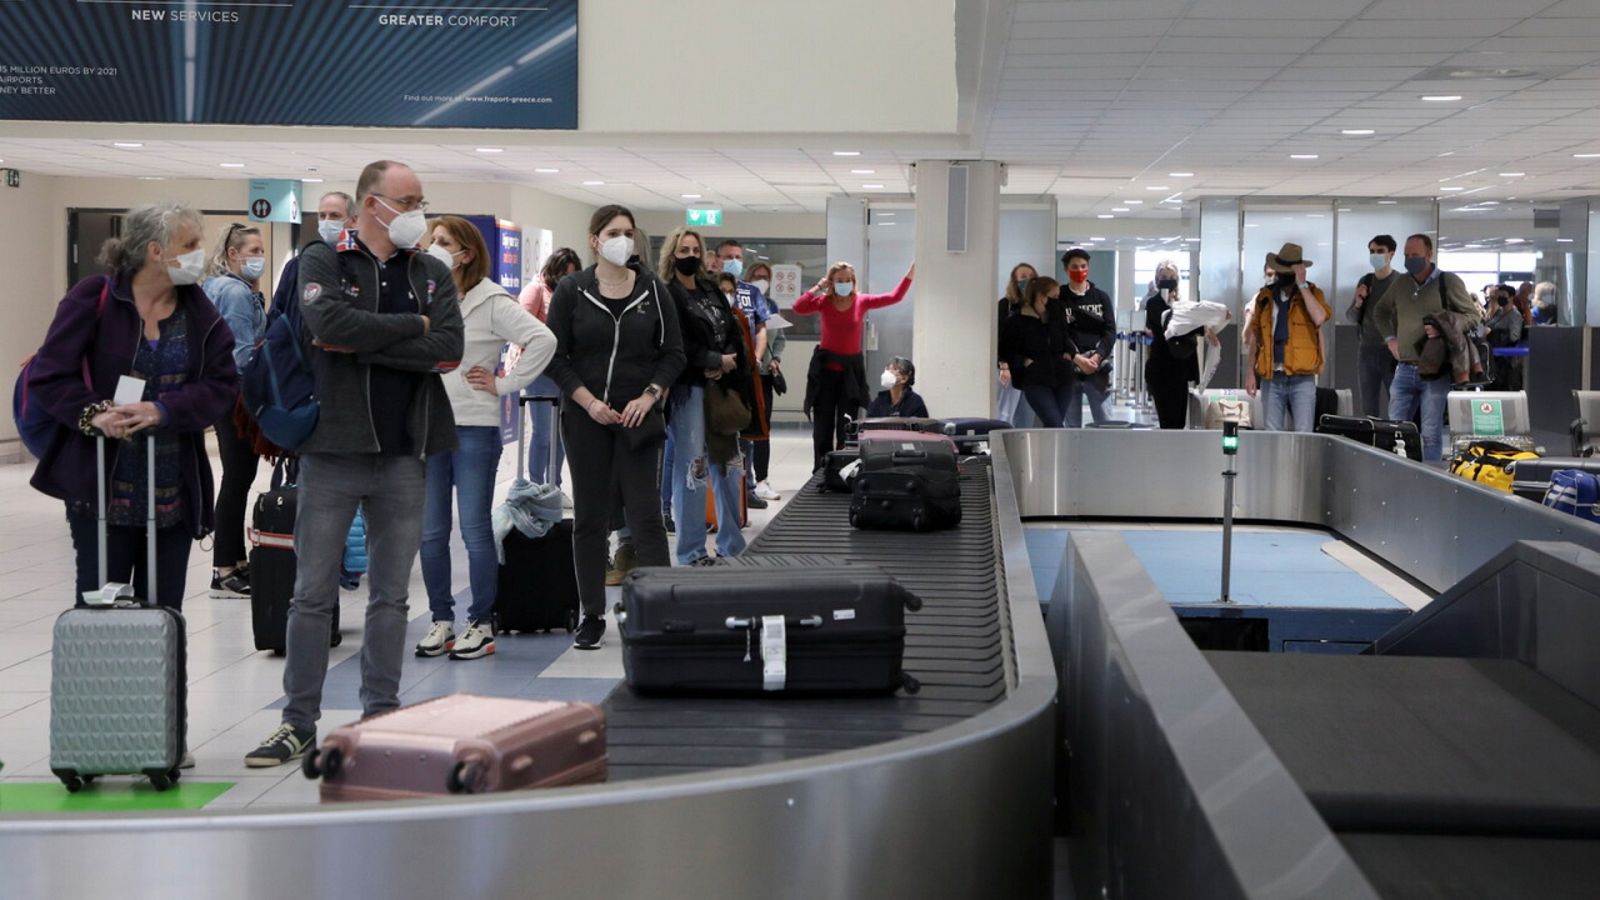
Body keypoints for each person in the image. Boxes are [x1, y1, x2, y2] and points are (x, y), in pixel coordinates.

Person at [245, 160, 465, 767]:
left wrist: (367, 342)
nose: (420, 210)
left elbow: (446, 346)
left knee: (391, 599)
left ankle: (379, 717)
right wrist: (408, 332)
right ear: (373, 205)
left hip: (405, 453)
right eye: (410, 199)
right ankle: (297, 722)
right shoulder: (322, 261)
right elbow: (325, 324)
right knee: (312, 595)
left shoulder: (430, 273)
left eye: (422, 198)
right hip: (334, 452)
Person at [32, 200, 239, 617]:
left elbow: (222, 385)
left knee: (164, 616)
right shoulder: (94, 297)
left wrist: (165, 410)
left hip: (173, 490)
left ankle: (164, 686)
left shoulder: (198, 310)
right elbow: (50, 375)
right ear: (155, 250)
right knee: (100, 615)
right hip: (103, 489)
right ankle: (99, 685)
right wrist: (96, 414)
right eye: (191, 243)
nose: (200, 252)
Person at [414, 217, 556, 662]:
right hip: (427, 425)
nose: (434, 247)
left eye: (443, 242)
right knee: (431, 531)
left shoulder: (490, 299)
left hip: (474, 425)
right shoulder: (424, 295)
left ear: (466, 253)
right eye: (432, 240)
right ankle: (442, 619)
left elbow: (542, 338)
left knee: (474, 528)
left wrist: (505, 383)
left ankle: (481, 621)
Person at [544, 205, 684, 648]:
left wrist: (651, 395)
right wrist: (587, 402)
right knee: (589, 517)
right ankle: (592, 613)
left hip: (639, 419)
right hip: (587, 419)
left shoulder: (653, 291)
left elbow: (673, 353)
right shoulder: (572, 289)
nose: (623, 239)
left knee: (646, 517)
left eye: (628, 232)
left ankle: (662, 606)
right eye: (613, 232)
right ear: (594, 240)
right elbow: (555, 355)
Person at [664, 230, 749, 565]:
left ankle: (731, 543)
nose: (690, 254)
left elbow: (731, 329)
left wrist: (726, 360)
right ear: (672, 253)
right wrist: (712, 362)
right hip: (689, 389)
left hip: (721, 389)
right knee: (693, 471)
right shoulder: (667, 293)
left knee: (729, 467)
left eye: (695, 249)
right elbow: (676, 342)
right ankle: (691, 551)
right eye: (683, 249)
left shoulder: (710, 288)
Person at [793, 261, 915, 470]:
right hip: (825, 372)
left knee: (847, 424)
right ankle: (821, 469)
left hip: (850, 374)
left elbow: (895, 297)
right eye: (840, 280)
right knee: (823, 425)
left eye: (848, 280)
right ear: (832, 282)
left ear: (853, 282)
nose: (844, 284)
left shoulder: (862, 301)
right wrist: (818, 287)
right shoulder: (824, 302)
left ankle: (843, 467)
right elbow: (798, 307)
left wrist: (910, 274)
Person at [201, 222, 268, 598]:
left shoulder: (216, 287)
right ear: (233, 254)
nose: (259, 257)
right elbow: (243, 353)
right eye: (253, 251)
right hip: (237, 397)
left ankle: (235, 561)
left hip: (222, 394)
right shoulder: (236, 293)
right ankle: (225, 568)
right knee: (237, 478)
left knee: (237, 477)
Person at [1372, 233, 1480, 461]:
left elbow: (1472, 316)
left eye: (1415, 255)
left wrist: (1445, 326)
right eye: (1407, 255)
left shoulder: (1447, 282)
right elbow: (1380, 312)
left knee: (1430, 432)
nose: (1410, 259)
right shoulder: (1400, 283)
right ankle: (1396, 472)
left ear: (1429, 254)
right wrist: (1391, 339)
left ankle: (1430, 476)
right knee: (1393, 430)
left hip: (1434, 370)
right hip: (1404, 368)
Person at [1243, 243, 1331, 433]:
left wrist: (1302, 285)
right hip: (1271, 377)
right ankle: (1276, 464)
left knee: (1303, 433)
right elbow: (1256, 338)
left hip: (1302, 377)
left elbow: (1319, 317)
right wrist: (1250, 372)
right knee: (1272, 433)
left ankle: (1301, 464)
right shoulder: (1264, 297)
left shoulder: (1313, 294)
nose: (1281, 275)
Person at [715, 240, 773, 511]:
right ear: (717, 259)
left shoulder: (751, 292)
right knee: (718, 435)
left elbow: (761, 327)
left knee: (747, 434)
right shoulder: (709, 290)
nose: (734, 261)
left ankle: (746, 488)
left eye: (738, 257)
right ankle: (715, 497)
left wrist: (758, 357)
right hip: (716, 374)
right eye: (729, 257)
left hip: (747, 372)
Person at [517, 247, 582, 487]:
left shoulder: (572, 294)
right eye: (563, 274)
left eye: (571, 275)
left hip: (564, 372)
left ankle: (553, 486)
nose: (566, 279)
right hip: (541, 372)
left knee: (559, 435)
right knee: (543, 433)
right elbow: (520, 328)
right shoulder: (535, 290)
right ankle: (535, 486)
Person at [1000, 277, 1074, 427]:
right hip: (1035, 380)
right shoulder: (1017, 321)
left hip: (1063, 378)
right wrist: (1023, 362)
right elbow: (1005, 349)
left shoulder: (1057, 318)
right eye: (1054, 297)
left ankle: (1048, 451)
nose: (1057, 301)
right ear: (1041, 297)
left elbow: (1067, 341)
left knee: (1055, 424)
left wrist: (1069, 354)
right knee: (1055, 423)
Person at [272, 191, 356, 319]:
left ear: (353, 221)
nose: (327, 221)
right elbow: (277, 311)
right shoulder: (298, 264)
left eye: (335, 216)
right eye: (322, 216)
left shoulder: (359, 265)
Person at [1057, 249, 1116, 427]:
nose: (1080, 270)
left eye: (1083, 266)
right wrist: (1078, 359)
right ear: (1066, 270)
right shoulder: (1059, 297)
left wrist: (1097, 357)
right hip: (1068, 367)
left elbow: (1110, 330)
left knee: (1104, 420)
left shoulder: (1101, 297)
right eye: (1074, 267)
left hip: (1096, 368)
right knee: (1071, 423)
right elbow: (1058, 333)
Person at [744, 260, 785, 501]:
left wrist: (776, 358)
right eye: (756, 276)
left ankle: (761, 479)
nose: (761, 280)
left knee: (763, 428)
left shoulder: (770, 305)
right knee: (743, 428)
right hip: (743, 374)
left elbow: (779, 338)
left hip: (765, 376)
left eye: (765, 277)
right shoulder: (741, 303)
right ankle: (744, 480)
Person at [1347, 235, 1401, 418]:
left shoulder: (1401, 282)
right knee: (1368, 406)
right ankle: (1371, 441)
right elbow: (1351, 316)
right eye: (1372, 251)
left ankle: (1397, 440)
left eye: (1380, 251)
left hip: (1392, 351)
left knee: (1397, 402)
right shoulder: (1367, 280)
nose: (1375, 255)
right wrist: (1358, 301)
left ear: (1391, 254)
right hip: (1367, 350)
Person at [1142, 262, 1199, 429]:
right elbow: (1165, 329)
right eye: (1164, 278)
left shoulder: (1185, 304)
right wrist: (1170, 304)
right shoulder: (1153, 303)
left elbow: (1191, 328)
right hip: (1161, 366)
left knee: (1180, 418)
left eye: (1172, 277)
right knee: (1166, 419)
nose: (1168, 281)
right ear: (1157, 280)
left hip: (1180, 366)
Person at [997, 263, 1038, 427]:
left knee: (1027, 415)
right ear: (1015, 281)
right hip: (1011, 368)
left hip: (1033, 370)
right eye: (1023, 277)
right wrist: (1004, 366)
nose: (1027, 281)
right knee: (1005, 414)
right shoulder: (1005, 305)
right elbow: (999, 337)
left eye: (1031, 277)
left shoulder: (1040, 306)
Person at [1484, 287, 1524, 391]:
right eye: (1499, 295)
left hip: (1505, 360)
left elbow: (1514, 337)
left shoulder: (1515, 315)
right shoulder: (1499, 312)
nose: (1500, 298)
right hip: (1494, 357)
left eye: (1503, 295)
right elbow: (1488, 324)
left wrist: (1494, 332)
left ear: (1511, 297)